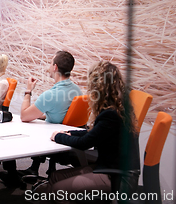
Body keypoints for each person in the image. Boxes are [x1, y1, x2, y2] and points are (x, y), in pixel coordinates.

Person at [37, 61, 140, 203]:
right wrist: (71, 133)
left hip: (118, 177)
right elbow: (94, 133)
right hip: (111, 169)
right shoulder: (117, 109)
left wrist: (59, 136)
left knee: (58, 189)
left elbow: (85, 143)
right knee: (54, 176)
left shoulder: (110, 114)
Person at [0, 50, 82, 187]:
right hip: (67, 137)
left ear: (55, 67)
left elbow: (25, 116)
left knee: (10, 131)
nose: (49, 66)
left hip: (53, 141)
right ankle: (33, 168)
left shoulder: (50, 95)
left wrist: (28, 90)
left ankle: (13, 175)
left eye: (50, 63)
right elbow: (58, 113)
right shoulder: (76, 90)